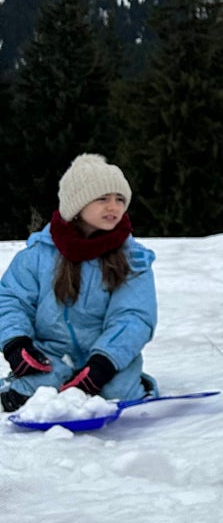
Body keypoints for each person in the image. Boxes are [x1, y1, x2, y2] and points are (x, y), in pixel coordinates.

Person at [0, 154, 157, 414]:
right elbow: (11, 299)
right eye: (102, 198)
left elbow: (134, 317)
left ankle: (132, 380)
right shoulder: (38, 255)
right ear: (77, 205)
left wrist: (103, 364)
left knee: (116, 392)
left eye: (120, 199)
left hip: (107, 357)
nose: (114, 207)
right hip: (50, 354)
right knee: (37, 392)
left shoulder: (132, 258)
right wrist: (17, 344)